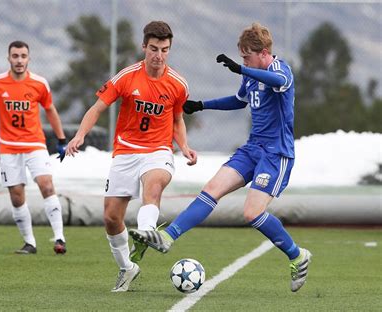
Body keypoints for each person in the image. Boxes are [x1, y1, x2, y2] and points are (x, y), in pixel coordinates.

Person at [130, 23, 312, 292]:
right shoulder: (251, 74)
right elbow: (240, 100)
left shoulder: (278, 70)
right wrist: (202, 105)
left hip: (276, 154)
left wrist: (242, 70)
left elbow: (280, 83)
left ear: (263, 53)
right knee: (211, 190)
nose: (243, 62)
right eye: (241, 59)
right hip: (252, 149)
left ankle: (298, 256)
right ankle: (167, 237)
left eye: (247, 57)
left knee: (252, 212)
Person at [66, 21, 197, 292]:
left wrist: (183, 147)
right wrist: (79, 135)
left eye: (164, 49)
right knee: (111, 218)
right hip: (125, 151)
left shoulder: (178, 84)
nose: (158, 56)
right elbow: (97, 108)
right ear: (143, 47)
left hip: (158, 151)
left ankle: (148, 231)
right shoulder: (126, 77)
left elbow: (177, 120)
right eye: (153, 49)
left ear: (169, 49)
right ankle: (127, 268)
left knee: (154, 184)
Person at [0, 41, 68, 255]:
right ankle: (30, 243)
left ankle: (59, 238)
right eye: (15, 56)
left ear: (29, 58)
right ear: (8, 58)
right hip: (9, 148)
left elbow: (50, 110)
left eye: (23, 56)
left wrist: (61, 139)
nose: (19, 60)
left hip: (35, 144)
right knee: (17, 196)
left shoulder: (39, 84)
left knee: (46, 185)